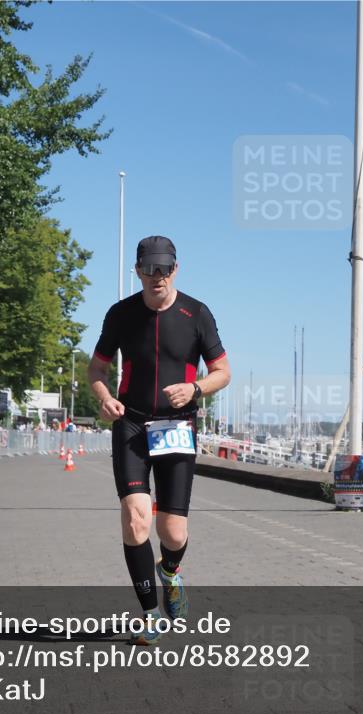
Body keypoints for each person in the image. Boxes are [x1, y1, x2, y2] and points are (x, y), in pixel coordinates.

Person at [87, 236, 230, 646]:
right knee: (136, 519)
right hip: (131, 424)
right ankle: (149, 614)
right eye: (150, 269)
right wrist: (105, 398)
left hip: (177, 427)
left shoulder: (196, 314)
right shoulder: (120, 314)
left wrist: (197, 390)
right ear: (138, 271)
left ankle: (169, 571)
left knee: (173, 533)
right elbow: (96, 369)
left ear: (176, 270)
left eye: (165, 269)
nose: (158, 277)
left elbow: (223, 371)